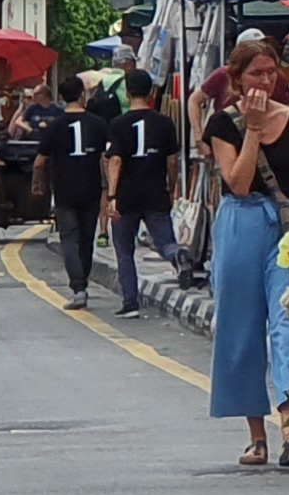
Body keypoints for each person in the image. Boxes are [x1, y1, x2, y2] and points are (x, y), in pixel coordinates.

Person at [203, 46, 289, 466]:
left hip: (286, 224)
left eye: (271, 72)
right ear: (237, 79)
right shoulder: (223, 123)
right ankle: (256, 434)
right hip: (242, 220)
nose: (266, 81)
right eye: (256, 74)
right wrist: (251, 129)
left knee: (288, 320)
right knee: (242, 328)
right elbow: (238, 181)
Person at [108, 70, 189, 319]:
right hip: (156, 192)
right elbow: (172, 161)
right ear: (152, 92)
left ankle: (130, 302)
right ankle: (177, 255)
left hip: (127, 194)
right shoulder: (165, 123)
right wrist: (172, 186)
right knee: (164, 242)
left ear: (127, 92)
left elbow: (115, 161)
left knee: (124, 249)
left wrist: (111, 196)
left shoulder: (118, 124)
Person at [44, 74, 110, 310]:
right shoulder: (98, 124)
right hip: (91, 189)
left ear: (62, 98)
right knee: (87, 240)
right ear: (82, 95)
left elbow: (40, 161)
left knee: (69, 239)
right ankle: (82, 282)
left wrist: (37, 184)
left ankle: (78, 288)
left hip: (64, 191)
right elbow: (106, 158)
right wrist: (111, 188)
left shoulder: (55, 126)